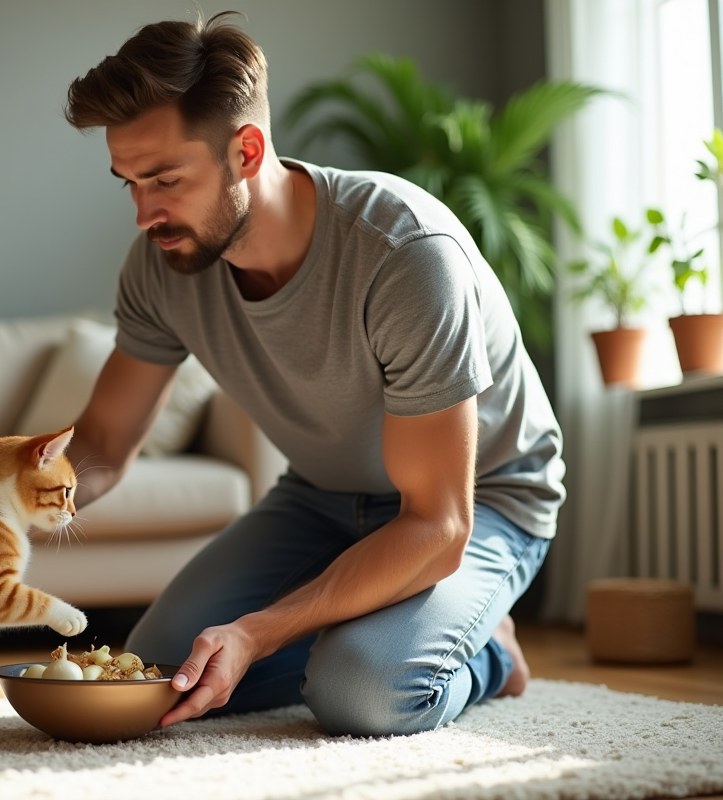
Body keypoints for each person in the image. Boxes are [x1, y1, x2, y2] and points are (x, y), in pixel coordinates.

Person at [61, 11, 565, 737]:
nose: (144, 213)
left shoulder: (403, 254)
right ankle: (387, 626)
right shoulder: (163, 265)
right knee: (160, 673)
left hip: (478, 503)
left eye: (165, 179)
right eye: (129, 183)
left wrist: (259, 631)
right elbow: (103, 443)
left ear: (246, 149)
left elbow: (437, 523)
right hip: (324, 498)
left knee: (360, 692)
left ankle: (487, 651)